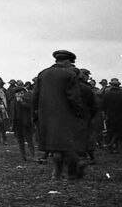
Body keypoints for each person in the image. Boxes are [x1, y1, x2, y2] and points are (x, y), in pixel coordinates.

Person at [33, 50, 88, 180]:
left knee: (55, 146)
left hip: (46, 116)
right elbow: (73, 97)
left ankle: (56, 174)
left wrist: (35, 113)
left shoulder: (43, 74)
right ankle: (74, 170)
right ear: (67, 61)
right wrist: (80, 112)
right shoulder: (70, 74)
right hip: (66, 116)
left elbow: (35, 95)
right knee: (67, 145)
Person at [12, 85, 36, 160]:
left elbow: (29, 107)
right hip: (17, 124)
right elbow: (12, 113)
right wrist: (12, 124)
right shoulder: (13, 102)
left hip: (26, 123)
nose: (20, 95)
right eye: (18, 93)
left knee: (29, 140)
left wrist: (21, 101)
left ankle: (33, 155)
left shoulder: (26, 100)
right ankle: (23, 156)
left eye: (21, 93)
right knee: (20, 140)